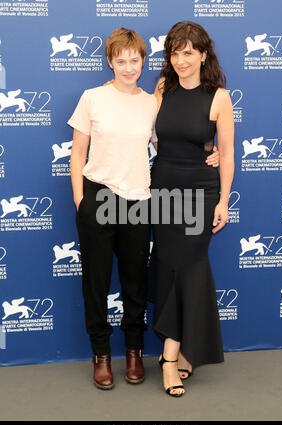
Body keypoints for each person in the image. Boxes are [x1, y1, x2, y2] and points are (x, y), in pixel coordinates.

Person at [68, 27, 220, 391]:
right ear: (110, 62)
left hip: (139, 200)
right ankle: (101, 354)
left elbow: (170, 138)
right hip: (98, 197)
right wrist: (80, 200)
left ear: (143, 62)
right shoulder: (92, 98)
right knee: (97, 282)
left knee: (136, 283)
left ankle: (134, 352)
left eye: (134, 61)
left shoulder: (153, 101)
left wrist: (209, 151)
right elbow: (77, 154)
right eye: (120, 61)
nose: (128, 67)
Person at [149, 21, 235, 397]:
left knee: (190, 265)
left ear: (203, 54)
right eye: (174, 52)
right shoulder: (163, 88)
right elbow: (149, 133)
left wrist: (224, 200)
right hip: (163, 189)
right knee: (172, 270)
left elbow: (229, 154)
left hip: (200, 193)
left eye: (188, 52)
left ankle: (170, 359)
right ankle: (186, 350)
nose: (181, 60)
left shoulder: (218, 97)